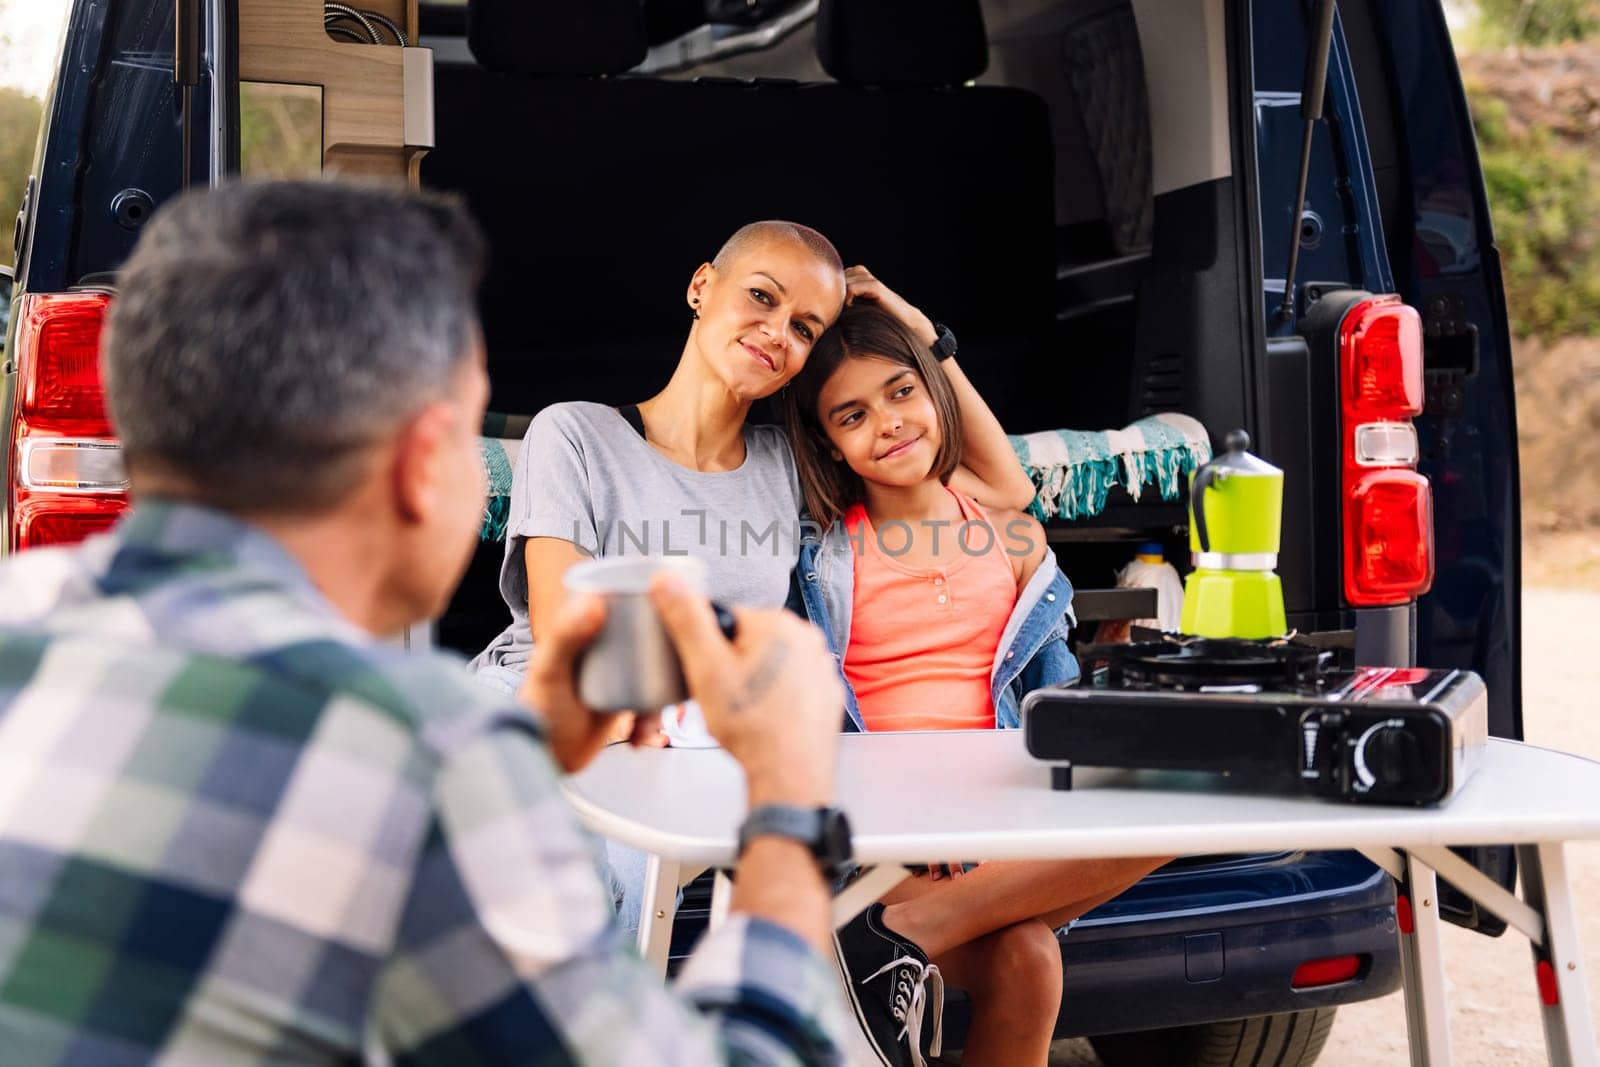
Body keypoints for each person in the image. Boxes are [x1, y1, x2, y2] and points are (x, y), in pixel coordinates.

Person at [0, 180, 857, 1065]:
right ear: (422, 463)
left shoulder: (23, 625)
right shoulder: (427, 754)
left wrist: (524, 753)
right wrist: (789, 806)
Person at [776, 279, 1170, 1067]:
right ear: (827, 444)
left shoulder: (1002, 525)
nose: (888, 423)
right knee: (1026, 953)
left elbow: (1008, 477)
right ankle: (890, 929)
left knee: (1174, 795)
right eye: (852, 416)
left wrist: (925, 331)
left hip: (999, 826)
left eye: (901, 392)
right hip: (882, 843)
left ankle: (890, 945)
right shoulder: (826, 553)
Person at [472, 219, 850, 931]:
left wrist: (911, 326)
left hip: (690, 733)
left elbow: (989, 487)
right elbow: (572, 650)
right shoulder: (575, 433)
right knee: (593, 872)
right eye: (762, 297)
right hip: (554, 706)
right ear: (701, 286)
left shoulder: (789, 466)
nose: (777, 332)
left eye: (805, 327)